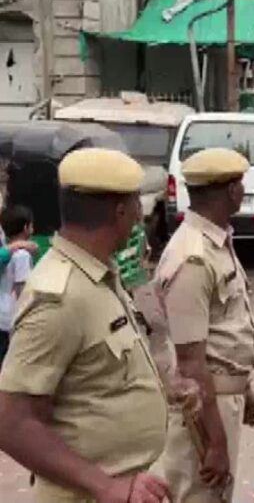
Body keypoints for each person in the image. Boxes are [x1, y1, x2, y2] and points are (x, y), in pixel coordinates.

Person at [0, 148, 171, 503]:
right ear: (121, 212)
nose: (141, 216)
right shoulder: (59, 296)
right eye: (136, 205)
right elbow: (11, 422)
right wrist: (104, 485)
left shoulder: (97, 274)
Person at [152, 148, 254, 503]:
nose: (244, 192)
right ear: (231, 192)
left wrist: (245, 390)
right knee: (201, 496)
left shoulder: (215, 243)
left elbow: (223, 334)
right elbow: (191, 364)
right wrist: (214, 441)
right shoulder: (193, 258)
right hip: (202, 412)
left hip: (221, 400)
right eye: (241, 185)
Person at [0, 206, 34, 366]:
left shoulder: (6, 251)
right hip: (10, 318)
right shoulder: (22, 255)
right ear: (26, 227)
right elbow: (22, 289)